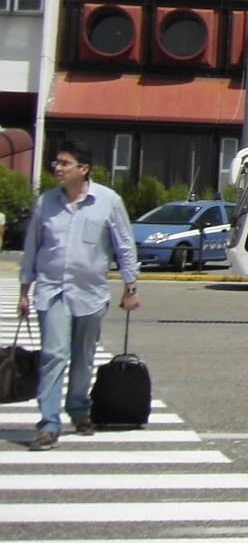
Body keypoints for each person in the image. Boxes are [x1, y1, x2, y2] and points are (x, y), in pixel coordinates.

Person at [16, 142, 140, 451]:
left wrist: (130, 287)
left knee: (83, 356)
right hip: (51, 290)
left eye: (64, 163)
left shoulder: (108, 201)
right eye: (55, 163)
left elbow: (124, 245)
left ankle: (79, 408)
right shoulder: (46, 203)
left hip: (90, 293)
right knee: (54, 354)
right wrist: (24, 291)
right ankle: (48, 423)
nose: (57, 168)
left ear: (83, 169)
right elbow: (33, 247)